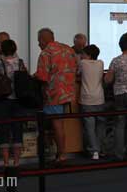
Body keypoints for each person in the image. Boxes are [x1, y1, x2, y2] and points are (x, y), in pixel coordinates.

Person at [34, 28, 76, 164]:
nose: (38, 45)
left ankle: (61, 154)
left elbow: (42, 76)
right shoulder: (68, 49)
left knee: (57, 125)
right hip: (68, 92)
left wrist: (33, 76)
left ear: (42, 40)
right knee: (58, 124)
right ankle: (59, 153)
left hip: (54, 94)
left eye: (38, 42)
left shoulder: (46, 53)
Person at [0, 39, 27, 168]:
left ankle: (6, 162)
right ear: (15, 49)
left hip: (2, 100)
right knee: (18, 129)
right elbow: (26, 79)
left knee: (3, 130)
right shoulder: (21, 63)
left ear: (3, 50)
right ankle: (17, 162)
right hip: (18, 100)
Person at [78, 44, 105, 160]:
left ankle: (94, 151)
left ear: (88, 55)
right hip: (99, 98)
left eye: (83, 54)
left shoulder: (83, 63)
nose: (81, 56)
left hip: (87, 99)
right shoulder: (101, 63)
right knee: (100, 125)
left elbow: (77, 74)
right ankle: (99, 148)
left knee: (89, 126)